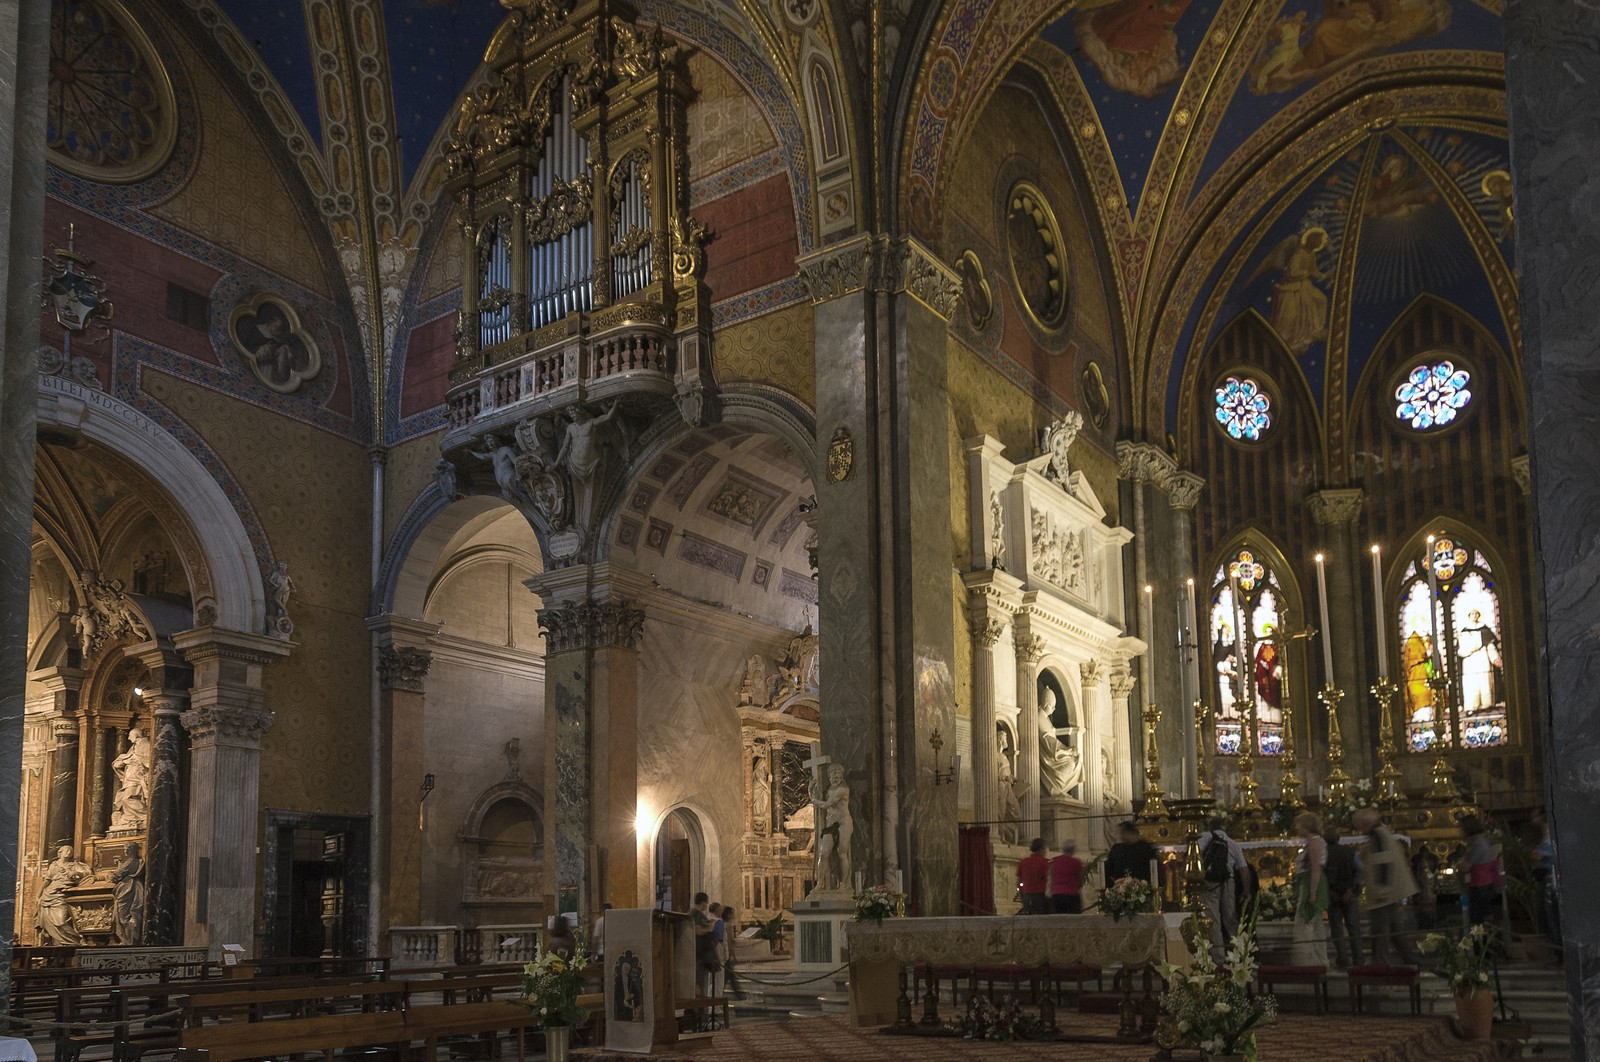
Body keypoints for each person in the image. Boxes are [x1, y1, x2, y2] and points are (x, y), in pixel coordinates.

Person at [1355, 807, 1421, 964]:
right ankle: (1411, 959)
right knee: (1394, 930)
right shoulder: (1380, 833)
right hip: (1389, 891)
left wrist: (1381, 891)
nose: (1358, 828)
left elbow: (1383, 862)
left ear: (1366, 823)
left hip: (1384, 894)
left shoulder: (1377, 835)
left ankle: (1380, 963)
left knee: (1380, 931)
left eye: (1359, 824)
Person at [1198, 816, 1247, 963]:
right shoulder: (1233, 843)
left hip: (1209, 883)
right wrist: (1246, 890)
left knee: (1213, 920)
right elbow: (1244, 870)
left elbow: (1195, 855)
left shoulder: (1205, 837)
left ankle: (1218, 958)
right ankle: (1238, 956)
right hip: (1228, 882)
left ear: (1210, 827)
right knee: (1230, 920)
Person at [1290, 812, 1329, 966]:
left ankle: (1309, 961)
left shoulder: (1314, 842)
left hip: (1310, 884)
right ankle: (1317, 960)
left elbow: (1315, 869)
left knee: (1306, 921)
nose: (1296, 828)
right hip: (1306, 883)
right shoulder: (1311, 841)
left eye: (1299, 824)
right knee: (1314, 923)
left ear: (1307, 826)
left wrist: (1312, 892)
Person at [1323, 828, 1364, 967]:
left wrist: (1329, 891)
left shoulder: (1324, 853)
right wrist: (1351, 890)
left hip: (1332, 894)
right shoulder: (1350, 852)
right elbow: (1359, 871)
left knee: (1337, 928)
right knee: (1353, 927)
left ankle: (1343, 959)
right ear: (1339, 838)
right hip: (1349, 892)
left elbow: (1321, 875)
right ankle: (1358, 959)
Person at [36, 845, 90, 945]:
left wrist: (75, 872)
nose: (68, 853)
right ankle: (59, 944)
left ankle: (77, 940)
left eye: (70, 851)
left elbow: (87, 873)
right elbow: (47, 880)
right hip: (49, 894)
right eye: (66, 851)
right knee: (49, 922)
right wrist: (39, 894)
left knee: (61, 921)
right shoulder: (53, 865)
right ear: (60, 852)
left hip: (63, 894)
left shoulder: (74, 865)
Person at [1457, 815, 1500, 928]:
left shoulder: (1477, 842)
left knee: (1477, 921)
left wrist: (1459, 864)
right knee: (1477, 919)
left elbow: (1465, 866)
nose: (1460, 830)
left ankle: (1480, 944)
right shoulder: (1477, 840)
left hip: (1481, 886)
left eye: (1461, 827)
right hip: (1480, 884)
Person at [110, 727, 152, 831]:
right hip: (129, 777)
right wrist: (123, 760)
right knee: (123, 798)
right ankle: (131, 819)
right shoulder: (134, 747)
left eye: (130, 735)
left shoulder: (145, 744)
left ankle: (144, 816)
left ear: (136, 735)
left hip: (137, 777)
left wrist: (134, 758)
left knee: (127, 798)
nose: (128, 738)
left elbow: (149, 760)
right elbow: (123, 761)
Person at [1104, 821, 1159, 889]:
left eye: (1122, 832)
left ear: (1131, 833)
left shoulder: (1145, 848)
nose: (1120, 835)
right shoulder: (1117, 849)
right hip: (1119, 889)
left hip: (1141, 888)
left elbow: (1153, 870)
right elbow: (1109, 868)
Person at [111, 842, 145, 946]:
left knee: (123, 915)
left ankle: (128, 939)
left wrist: (110, 875)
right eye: (125, 849)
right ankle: (130, 939)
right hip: (131, 887)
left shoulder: (130, 862)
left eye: (127, 849)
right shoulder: (137, 861)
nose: (125, 851)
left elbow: (116, 875)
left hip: (127, 889)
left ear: (132, 850)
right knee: (129, 913)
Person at [1049, 839, 1085, 914]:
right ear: (1073, 849)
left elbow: (1052, 878)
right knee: (1074, 921)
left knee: (1058, 920)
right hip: (1072, 894)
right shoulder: (1077, 863)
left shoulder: (1054, 861)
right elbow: (1080, 880)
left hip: (1057, 894)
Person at [1017, 838, 1050, 914]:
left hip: (1027, 896)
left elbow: (1018, 883)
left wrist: (1023, 896)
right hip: (1042, 898)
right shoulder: (1047, 863)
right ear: (1042, 848)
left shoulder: (1023, 862)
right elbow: (1050, 882)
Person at [720, 905, 742, 998]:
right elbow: (729, 941)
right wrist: (733, 955)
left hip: (724, 954)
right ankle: (738, 995)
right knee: (729, 975)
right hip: (727, 954)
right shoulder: (728, 925)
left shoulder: (722, 923)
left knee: (729, 976)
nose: (734, 915)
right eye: (732, 913)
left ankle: (738, 995)